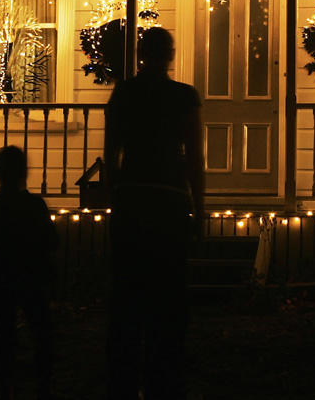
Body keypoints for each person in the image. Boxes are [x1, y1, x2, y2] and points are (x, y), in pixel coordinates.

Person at [103, 27, 205, 400]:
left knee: (127, 299)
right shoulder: (184, 97)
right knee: (169, 300)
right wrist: (200, 207)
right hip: (169, 201)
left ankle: (124, 381)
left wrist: (116, 197)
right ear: (171, 55)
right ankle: (164, 380)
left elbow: (111, 151)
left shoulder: (125, 93)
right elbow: (194, 158)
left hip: (132, 200)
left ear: (142, 54)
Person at [0, 145, 59, 400]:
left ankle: (6, 385)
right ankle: (43, 384)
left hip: (1, 278)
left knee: (4, 333)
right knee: (42, 331)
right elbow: (52, 241)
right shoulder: (35, 205)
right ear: (24, 173)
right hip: (32, 277)